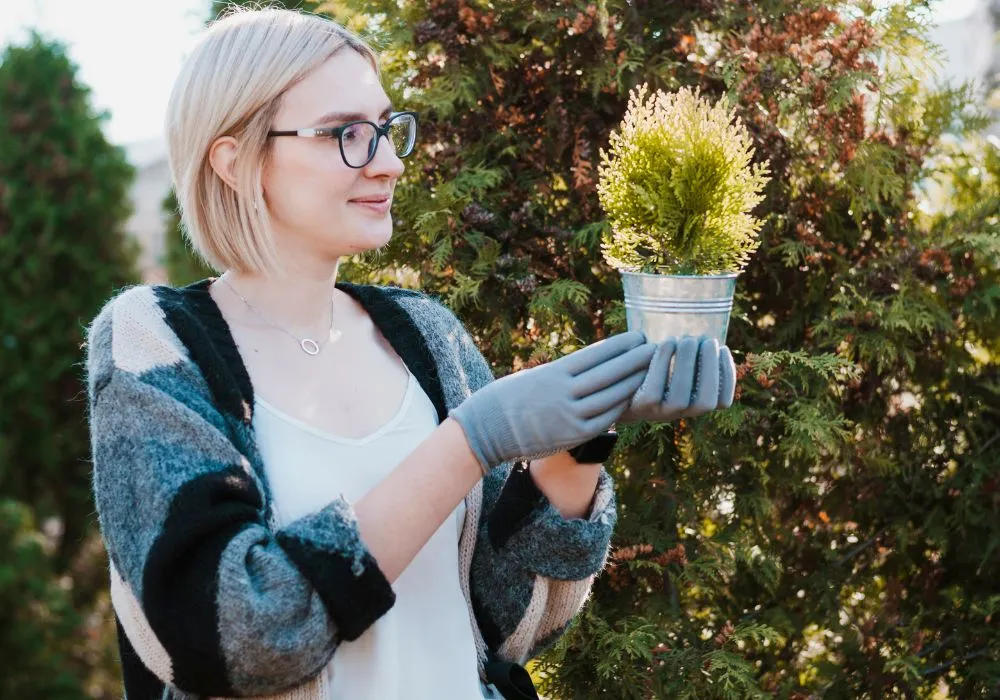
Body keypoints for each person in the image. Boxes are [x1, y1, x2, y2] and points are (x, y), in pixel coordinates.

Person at [84, 7, 736, 700]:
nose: (390, 163)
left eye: (387, 129)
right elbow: (236, 634)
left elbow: (508, 625)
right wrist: (470, 442)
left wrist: (580, 438)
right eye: (346, 134)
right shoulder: (156, 343)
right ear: (236, 160)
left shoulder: (426, 335)